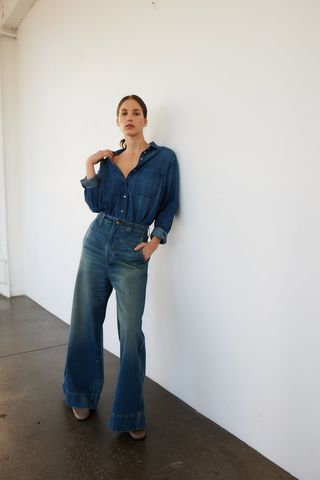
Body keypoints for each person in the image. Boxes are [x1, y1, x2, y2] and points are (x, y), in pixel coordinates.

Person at [61, 94, 179, 440]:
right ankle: (80, 394)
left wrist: (155, 241)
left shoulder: (164, 160)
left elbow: (170, 203)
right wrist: (89, 166)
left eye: (136, 112)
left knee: (130, 332)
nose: (130, 117)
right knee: (84, 318)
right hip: (97, 240)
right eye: (124, 113)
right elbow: (96, 205)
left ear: (145, 120)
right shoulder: (109, 162)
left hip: (132, 247)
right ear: (117, 121)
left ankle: (130, 411)